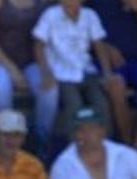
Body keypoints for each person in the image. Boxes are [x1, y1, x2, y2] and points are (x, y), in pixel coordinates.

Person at [87, 0, 137, 150]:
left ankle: (136, 148)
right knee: (116, 85)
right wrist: (104, 47)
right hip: (106, 62)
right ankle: (126, 146)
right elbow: (78, 29)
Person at [0, 0, 54, 157]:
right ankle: (0, 145)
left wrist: (47, 71)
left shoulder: (42, 3)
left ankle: (40, 143)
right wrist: (12, 71)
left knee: (50, 91)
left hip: (30, 61)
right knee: (1, 90)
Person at [32, 0, 112, 138]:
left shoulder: (90, 15)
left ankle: (106, 146)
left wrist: (107, 73)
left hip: (86, 71)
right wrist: (46, 73)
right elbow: (38, 46)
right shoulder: (50, 15)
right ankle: (74, 149)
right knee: (74, 108)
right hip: (62, 74)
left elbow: (99, 45)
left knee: (101, 105)